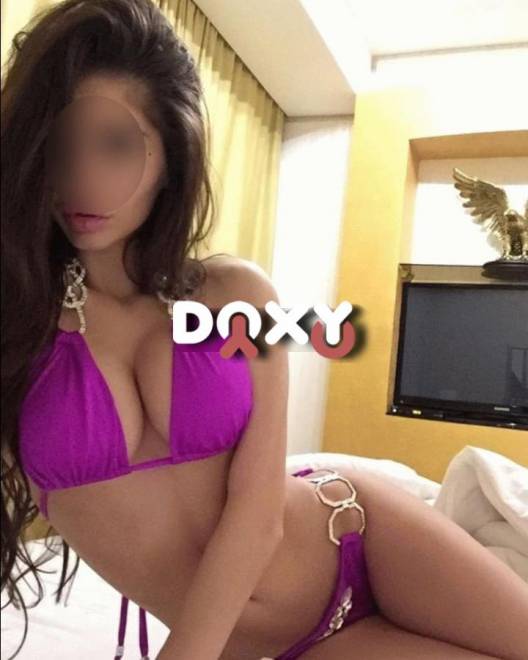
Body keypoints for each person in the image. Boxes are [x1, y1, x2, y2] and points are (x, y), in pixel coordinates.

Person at [2, 1, 528, 659]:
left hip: (357, 530)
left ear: (171, 156)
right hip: (292, 644)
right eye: (59, 146)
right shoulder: (18, 331)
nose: (82, 178)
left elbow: (256, 516)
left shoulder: (236, 294)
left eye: (117, 145)